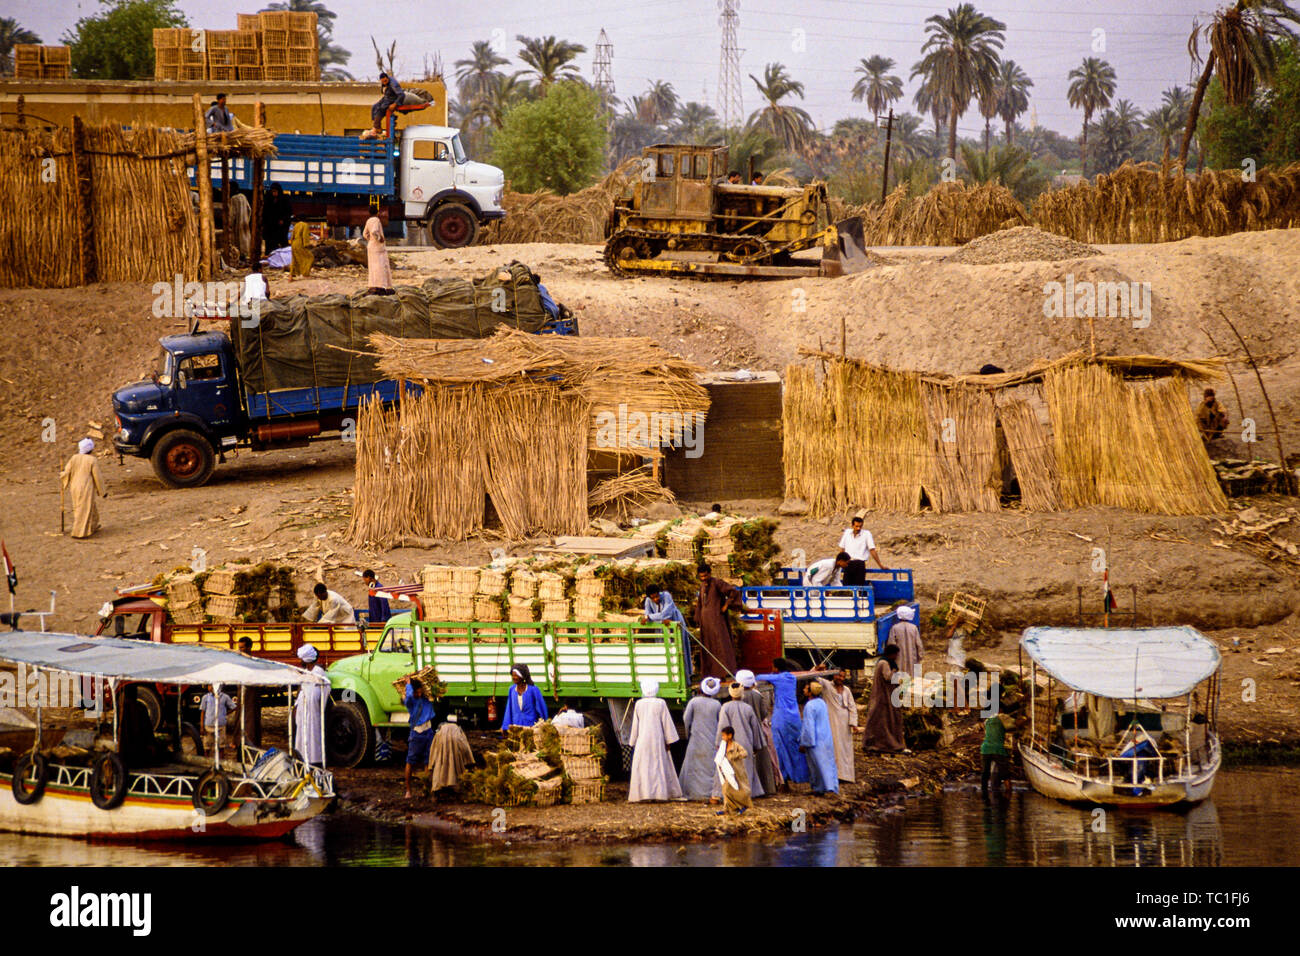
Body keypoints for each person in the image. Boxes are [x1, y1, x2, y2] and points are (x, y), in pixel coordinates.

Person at [627, 678, 683, 802]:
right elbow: (666, 723)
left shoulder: (639, 704)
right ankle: (659, 794)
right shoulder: (661, 703)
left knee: (644, 766)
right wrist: (669, 740)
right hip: (657, 739)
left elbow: (635, 724)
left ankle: (644, 794)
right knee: (657, 766)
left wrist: (632, 741)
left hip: (642, 740)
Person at [756, 659, 809, 785]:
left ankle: (783, 777)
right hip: (794, 715)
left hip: (781, 716)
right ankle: (800, 775)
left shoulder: (778, 678)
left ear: (776, 668)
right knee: (795, 746)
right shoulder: (792, 677)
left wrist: (772, 676)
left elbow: (758, 677)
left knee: (779, 746)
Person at [690, 563, 746, 679]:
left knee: (720, 645)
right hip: (706, 623)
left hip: (717, 621)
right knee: (708, 647)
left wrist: (726, 605)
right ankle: (711, 673)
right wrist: (698, 618)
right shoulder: (702, 586)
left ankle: (724, 672)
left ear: (709, 574)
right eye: (701, 577)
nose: (704, 578)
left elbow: (733, 592)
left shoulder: (717, 583)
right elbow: (700, 603)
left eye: (705, 576)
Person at [712, 682, 764, 800]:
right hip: (746, 744)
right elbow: (755, 728)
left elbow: (722, 727)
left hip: (730, 744)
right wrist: (756, 745)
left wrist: (719, 743)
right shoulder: (748, 708)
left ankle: (728, 795)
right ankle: (745, 795)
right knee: (745, 770)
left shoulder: (725, 707)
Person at [678, 676, 723, 800]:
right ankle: (710, 792)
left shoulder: (694, 702)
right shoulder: (717, 704)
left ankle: (691, 793)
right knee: (710, 767)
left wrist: (688, 733)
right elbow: (720, 722)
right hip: (712, 739)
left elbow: (686, 719)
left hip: (696, 738)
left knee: (693, 766)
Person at [735, 669, 778, 795]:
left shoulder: (739, 697)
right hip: (757, 731)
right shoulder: (757, 695)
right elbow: (764, 713)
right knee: (762, 761)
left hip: (742, 730)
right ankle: (767, 788)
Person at [402, 675, 443, 798]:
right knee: (410, 761)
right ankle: (408, 791)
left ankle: (426, 788)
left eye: (420, 692)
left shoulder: (426, 698)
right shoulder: (410, 701)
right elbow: (409, 695)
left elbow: (435, 690)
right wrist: (408, 683)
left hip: (428, 732)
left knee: (428, 761)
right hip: (416, 734)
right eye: (416, 692)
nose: (419, 694)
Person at [862, 644, 906, 753]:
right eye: (896, 654)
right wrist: (895, 672)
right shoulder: (885, 663)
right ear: (892, 654)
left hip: (885, 694)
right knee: (882, 719)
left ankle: (880, 743)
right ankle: (882, 744)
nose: (896, 656)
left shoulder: (883, 662)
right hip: (883, 695)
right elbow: (888, 677)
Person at [818, 669, 859, 784]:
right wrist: (818, 669)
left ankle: (846, 775)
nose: (840, 678)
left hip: (845, 725)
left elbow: (852, 707)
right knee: (834, 747)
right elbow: (814, 677)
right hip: (832, 722)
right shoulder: (827, 686)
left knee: (845, 749)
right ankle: (834, 775)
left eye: (842, 676)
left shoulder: (847, 690)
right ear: (833, 676)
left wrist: (854, 723)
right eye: (838, 675)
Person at [61, 438, 106, 539]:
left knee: (85, 506)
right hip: (86, 487)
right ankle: (79, 532)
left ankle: (93, 525)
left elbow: (67, 472)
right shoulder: (92, 460)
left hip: (74, 487)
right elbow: (97, 477)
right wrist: (102, 491)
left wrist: (62, 475)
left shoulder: (74, 458)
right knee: (84, 509)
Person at [799, 681, 839, 795]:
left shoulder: (809, 706)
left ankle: (820, 788)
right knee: (827, 763)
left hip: (815, 740)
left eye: (806, 689)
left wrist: (805, 742)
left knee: (816, 766)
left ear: (810, 692)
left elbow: (808, 726)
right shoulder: (822, 703)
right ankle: (831, 786)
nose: (803, 690)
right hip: (825, 737)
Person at [294, 644, 329, 766]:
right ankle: (302, 757)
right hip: (303, 708)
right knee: (302, 733)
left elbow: (325, 689)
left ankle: (315, 760)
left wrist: (317, 705)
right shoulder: (306, 671)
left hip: (313, 710)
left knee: (313, 733)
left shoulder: (319, 672)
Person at [428, 717, 474, 794]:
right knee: (456, 765)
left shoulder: (439, 733)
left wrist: (431, 763)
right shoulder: (458, 730)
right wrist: (468, 759)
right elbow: (465, 747)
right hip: (456, 749)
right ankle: (456, 787)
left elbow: (433, 750)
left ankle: (438, 789)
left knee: (439, 765)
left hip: (442, 751)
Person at [714, 726, 752, 815]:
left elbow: (745, 753)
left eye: (724, 736)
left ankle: (743, 806)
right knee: (725, 790)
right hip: (727, 772)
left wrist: (735, 756)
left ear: (730, 736)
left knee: (740, 790)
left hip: (737, 772)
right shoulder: (723, 746)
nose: (722, 738)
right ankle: (727, 809)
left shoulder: (736, 746)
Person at [500, 664, 548, 731]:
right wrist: (505, 726)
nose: (514, 677)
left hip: (531, 727)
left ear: (522, 676)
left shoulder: (533, 689)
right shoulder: (512, 690)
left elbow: (541, 707)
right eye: (513, 675)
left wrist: (544, 725)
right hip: (516, 727)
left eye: (516, 675)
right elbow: (509, 709)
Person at [362, 205, 395, 295]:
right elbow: (374, 231)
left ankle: (373, 286)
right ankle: (381, 287)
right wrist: (379, 238)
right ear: (377, 212)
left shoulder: (368, 221)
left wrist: (371, 239)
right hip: (378, 247)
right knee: (380, 267)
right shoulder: (376, 220)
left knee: (373, 267)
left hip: (371, 246)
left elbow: (365, 234)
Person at [886, 604, 923, 678]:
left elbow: (891, 644)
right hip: (912, 657)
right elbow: (919, 644)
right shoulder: (914, 628)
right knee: (912, 677)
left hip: (899, 658)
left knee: (899, 678)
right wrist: (920, 657)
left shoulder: (895, 628)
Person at [198, 685, 237, 757]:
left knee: (221, 746)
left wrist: (225, 713)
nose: (210, 687)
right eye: (209, 686)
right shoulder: (205, 697)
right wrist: (201, 726)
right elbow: (202, 712)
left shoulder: (225, 697)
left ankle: (220, 763)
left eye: (212, 686)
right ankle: (207, 763)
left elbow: (234, 707)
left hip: (221, 726)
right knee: (207, 747)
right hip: (208, 726)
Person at [981, 710, 1012, 796]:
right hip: (998, 749)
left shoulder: (987, 720)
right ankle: (1009, 792)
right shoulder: (1003, 717)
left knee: (985, 773)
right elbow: (1014, 725)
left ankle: (984, 792)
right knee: (1005, 773)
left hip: (985, 749)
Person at [262, 183, 291, 256]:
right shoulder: (268, 199)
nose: (274, 193)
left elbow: (288, 212)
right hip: (270, 225)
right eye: (273, 191)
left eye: (275, 191)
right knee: (270, 242)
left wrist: (283, 220)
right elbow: (265, 212)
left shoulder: (284, 199)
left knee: (283, 241)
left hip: (281, 226)